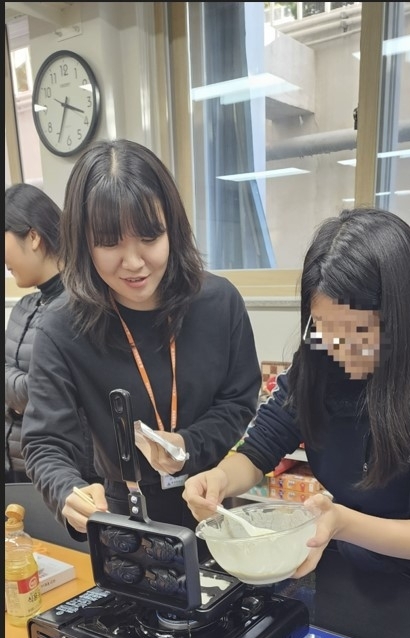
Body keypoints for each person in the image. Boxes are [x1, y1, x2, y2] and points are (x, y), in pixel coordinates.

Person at [183, 207, 410, 638]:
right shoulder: (322, 359)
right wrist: (220, 480)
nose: (341, 350)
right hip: (349, 576)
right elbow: (263, 443)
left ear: (401, 316)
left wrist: (342, 522)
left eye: (358, 333)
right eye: (327, 331)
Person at [21, 139, 261, 543]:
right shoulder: (62, 327)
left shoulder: (219, 303)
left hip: (211, 503)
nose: (133, 262)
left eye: (149, 237)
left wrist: (188, 443)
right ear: (84, 242)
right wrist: (68, 493)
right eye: (110, 242)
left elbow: (238, 402)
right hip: (122, 517)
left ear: (173, 228)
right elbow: (45, 442)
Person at [5, 183, 98, 485]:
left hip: (67, 470)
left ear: (32, 237)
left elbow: (52, 391)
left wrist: (17, 390)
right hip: (17, 461)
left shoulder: (81, 308)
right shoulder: (24, 306)